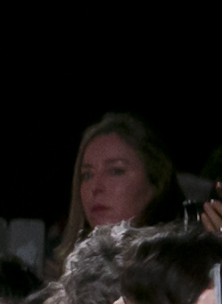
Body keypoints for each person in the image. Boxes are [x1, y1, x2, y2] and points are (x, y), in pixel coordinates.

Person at [48, 110, 177, 270]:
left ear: (155, 182)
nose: (95, 187)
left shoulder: (183, 272)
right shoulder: (70, 274)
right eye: (87, 175)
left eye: (116, 171)